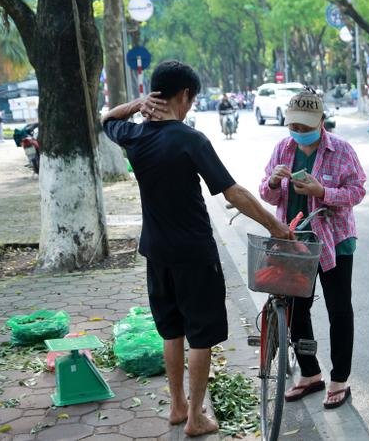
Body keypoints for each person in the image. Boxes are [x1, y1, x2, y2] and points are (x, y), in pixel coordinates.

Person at [101, 60, 292, 436]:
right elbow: (233, 193)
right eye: (191, 99)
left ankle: (176, 407)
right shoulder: (190, 140)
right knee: (200, 335)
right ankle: (195, 417)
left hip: (156, 252)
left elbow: (106, 119)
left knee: (171, 331)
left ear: (154, 95)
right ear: (185, 95)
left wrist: (137, 105)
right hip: (193, 253)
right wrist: (275, 226)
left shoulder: (134, 136)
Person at [259, 90, 366, 409]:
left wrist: (323, 191)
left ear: (321, 121)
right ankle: (310, 373)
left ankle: (340, 379)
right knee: (296, 310)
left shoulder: (341, 150)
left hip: (335, 242)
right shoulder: (282, 148)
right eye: (294, 126)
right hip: (294, 240)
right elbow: (267, 194)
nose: (300, 132)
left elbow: (357, 191)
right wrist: (275, 183)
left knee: (338, 309)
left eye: (306, 126)